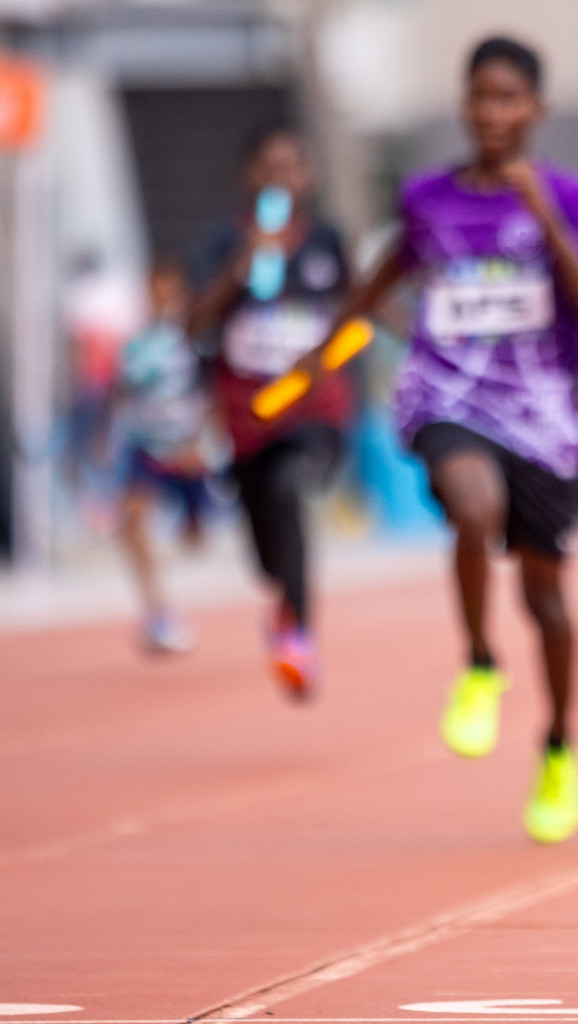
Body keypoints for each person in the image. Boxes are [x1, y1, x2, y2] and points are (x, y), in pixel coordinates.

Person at [295, 37, 578, 843]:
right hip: (448, 397)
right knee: (471, 507)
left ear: (536, 110)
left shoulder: (573, 199)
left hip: (542, 416)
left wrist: (541, 214)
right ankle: (479, 663)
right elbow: (375, 290)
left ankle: (558, 747)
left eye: (509, 97)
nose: (492, 112)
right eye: (480, 96)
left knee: (546, 600)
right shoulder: (427, 201)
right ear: (464, 103)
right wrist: (320, 358)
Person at [188, 126, 353, 700]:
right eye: (269, 167)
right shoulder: (222, 242)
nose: (281, 177)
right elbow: (194, 323)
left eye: (292, 166)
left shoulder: (327, 241)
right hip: (246, 417)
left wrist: (326, 359)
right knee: (265, 550)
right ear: (249, 177)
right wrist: (243, 265)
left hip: (313, 409)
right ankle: (283, 600)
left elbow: (358, 320)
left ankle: (298, 636)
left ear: (308, 177)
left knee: (289, 488)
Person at [97, 258, 223, 654]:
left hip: (189, 450)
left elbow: (214, 394)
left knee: (197, 538)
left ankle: (189, 591)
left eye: (169, 292)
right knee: (131, 521)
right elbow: (120, 392)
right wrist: (103, 437)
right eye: (154, 292)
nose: (161, 300)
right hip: (147, 446)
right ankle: (157, 610)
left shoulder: (196, 341)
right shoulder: (135, 347)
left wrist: (206, 442)